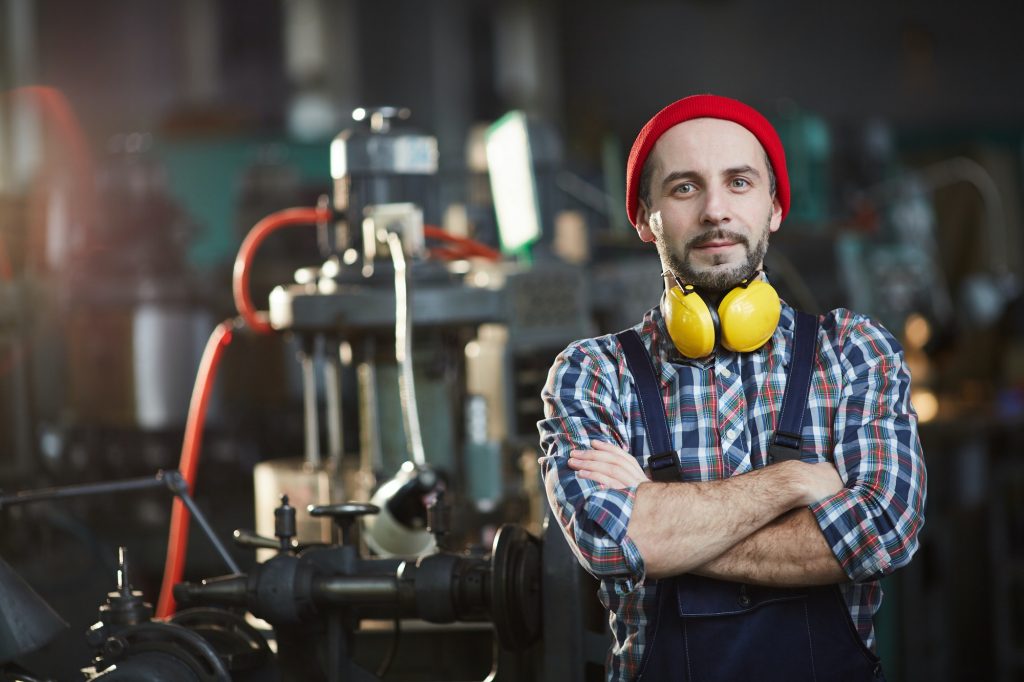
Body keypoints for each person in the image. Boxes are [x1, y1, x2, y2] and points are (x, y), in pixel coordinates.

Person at [537, 94, 927, 682]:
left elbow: (882, 535)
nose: (716, 210)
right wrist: (796, 482)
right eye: (685, 187)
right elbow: (609, 543)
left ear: (774, 207)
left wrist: (664, 530)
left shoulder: (853, 352)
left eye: (739, 183)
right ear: (645, 218)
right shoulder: (593, 373)